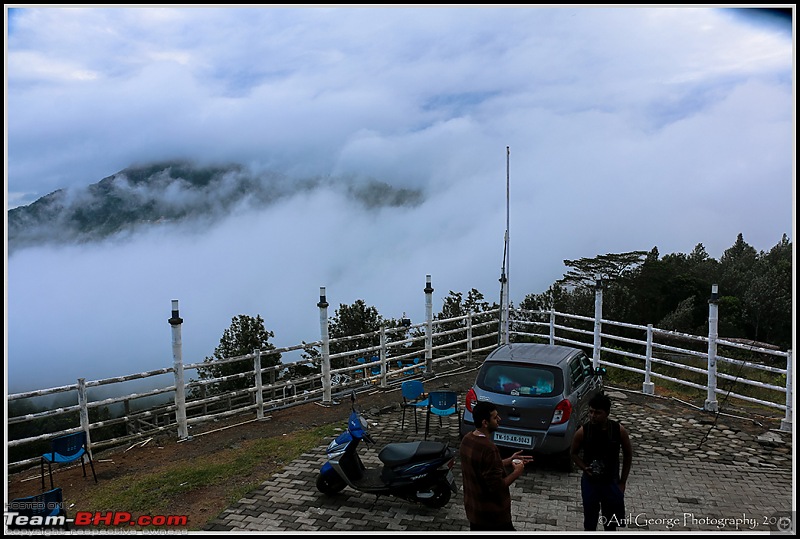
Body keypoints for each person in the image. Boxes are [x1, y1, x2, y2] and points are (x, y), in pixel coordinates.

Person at [459, 401, 533, 531]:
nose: (499, 419)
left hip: (475, 511)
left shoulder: (467, 439)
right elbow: (496, 486)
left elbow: (482, 467)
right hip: (492, 517)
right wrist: (517, 472)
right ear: (485, 423)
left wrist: (509, 460)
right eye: (495, 417)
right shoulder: (489, 449)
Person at [570, 393, 633, 531]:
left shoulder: (618, 431)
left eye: (597, 413)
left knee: (610, 523)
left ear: (607, 413)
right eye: (591, 412)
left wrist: (622, 482)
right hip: (590, 483)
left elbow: (628, 455)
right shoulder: (583, 432)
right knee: (590, 522)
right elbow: (573, 453)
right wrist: (584, 467)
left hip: (611, 482)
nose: (593, 416)